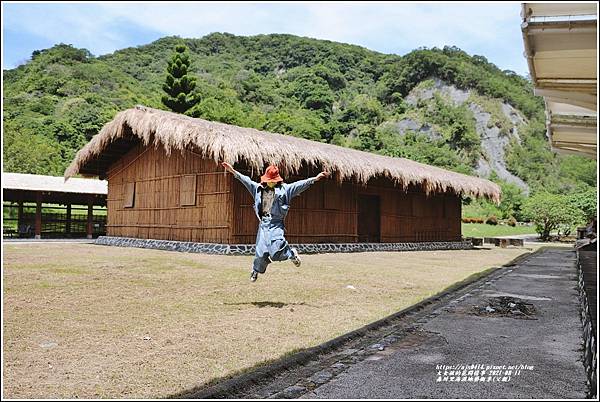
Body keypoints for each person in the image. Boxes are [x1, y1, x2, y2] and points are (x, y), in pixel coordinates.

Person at [221, 162, 330, 282]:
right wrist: (232, 171)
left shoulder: (285, 189)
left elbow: (300, 185)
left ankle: (291, 253)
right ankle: (256, 270)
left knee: (276, 251)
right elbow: (245, 180)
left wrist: (314, 179)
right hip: (264, 225)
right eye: (269, 180)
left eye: (273, 180)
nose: (271, 182)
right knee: (261, 252)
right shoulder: (258, 189)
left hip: (276, 224)